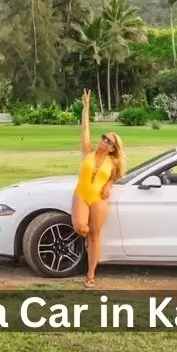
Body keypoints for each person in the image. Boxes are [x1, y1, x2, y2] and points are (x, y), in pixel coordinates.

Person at [71, 89, 125, 288]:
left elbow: (116, 176)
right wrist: (86, 107)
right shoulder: (88, 152)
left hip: (98, 200)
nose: (103, 140)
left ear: (113, 147)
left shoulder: (114, 162)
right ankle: (85, 241)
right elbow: (84, 130)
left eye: (108, 140)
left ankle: (91, 274)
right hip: (82, 195)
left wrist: (110, 184)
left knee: (95, 235)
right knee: (80, 227)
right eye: (103, 137)